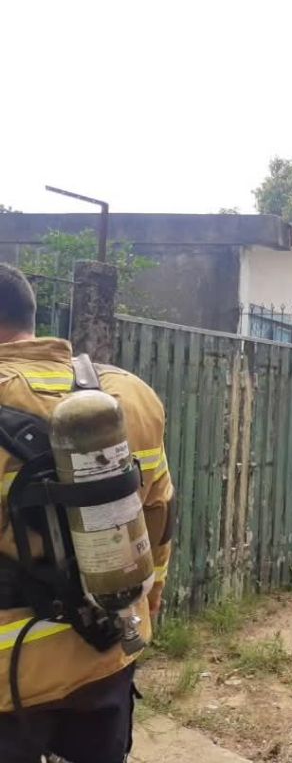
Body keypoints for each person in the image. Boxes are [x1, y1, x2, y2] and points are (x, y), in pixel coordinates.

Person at [0, 263, 174, 762]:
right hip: (105, 652)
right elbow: (159, 520)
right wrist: (143, 611)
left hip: (10, 687)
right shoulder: (130, 395)